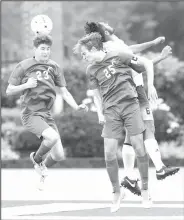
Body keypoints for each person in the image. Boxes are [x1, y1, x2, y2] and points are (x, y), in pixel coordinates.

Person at [84, 21, 180, 196]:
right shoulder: (111, 47)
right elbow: (138, 60)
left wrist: (153, 45)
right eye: (105, 25)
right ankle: (159, 168)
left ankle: (129, 176)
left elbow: (133, 52)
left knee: (131, 135)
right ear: (103, 31)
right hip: (134, 90)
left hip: (127, 92)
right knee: (148, 128)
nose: (108, 25)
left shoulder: (108, 46)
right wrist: (158, 54)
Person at [74, 32, 156, 212]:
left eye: (84, 53)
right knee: (109, 154)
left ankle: (145, 190)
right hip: (111, 112)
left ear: (94, 49)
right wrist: (99, 114)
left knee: (139, 148)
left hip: (131, 107)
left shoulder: (120, 55)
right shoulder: (91, 70)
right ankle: (116, 193)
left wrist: (150, 86)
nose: (83, 57)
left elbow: (146, 65)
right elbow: (96, 95)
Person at [6, 34, 88, 190]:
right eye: (42, 48)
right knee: (52, 137)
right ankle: (36, 160)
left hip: (46, 115)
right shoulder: (24, 66)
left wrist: (76, 106)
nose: (45, 52)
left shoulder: (54, 67)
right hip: (30, 113)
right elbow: (9, 90)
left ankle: (42, 170)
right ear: (35, 49)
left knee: (58, 156)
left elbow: (64, 92)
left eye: (48, 49)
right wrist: (26, 85)